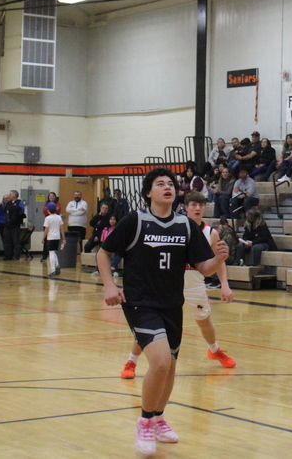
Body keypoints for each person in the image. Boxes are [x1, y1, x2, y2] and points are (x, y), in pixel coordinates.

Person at [97, 168, 228, 457]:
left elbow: (203, 268)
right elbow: (103, 253)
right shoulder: (136, 221)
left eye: (171, 184)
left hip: (172, 304)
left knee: (169, 367)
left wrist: (218, 259)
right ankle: (144, 421)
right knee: (158, 361)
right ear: (148, 192)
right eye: (160, 184)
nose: (167, 187)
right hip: (140, 303)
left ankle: (158, 417)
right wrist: (109, 285)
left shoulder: (184, 226)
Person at [121, 190, 236, 380]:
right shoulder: (175, 227)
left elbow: (219, 261)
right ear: (186, 207)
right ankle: (131, 361)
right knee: (152, 325)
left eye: (201, 205)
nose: (198, 208)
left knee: (204, 320)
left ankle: (214, 350)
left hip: (194, 282)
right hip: (168, 281)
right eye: (194, 205)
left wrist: (224, 284)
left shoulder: (210, 233)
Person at [42, 202, 65, 276]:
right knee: (54, 251)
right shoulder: (59, 217)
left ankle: (53, 269)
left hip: (50, 237)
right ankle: (57, 265)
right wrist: (63, 238)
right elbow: (62, 229)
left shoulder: (47, 218)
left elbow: (46, 230)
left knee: (51, 252)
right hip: (57, 237)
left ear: (48, 210)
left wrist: (43, 238)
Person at [2, 190, 26, 262]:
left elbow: (21, 211)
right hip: (7, 225)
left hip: (15, 225)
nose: (9, 195)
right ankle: (8, 255)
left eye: (10, 194)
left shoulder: (19, 203)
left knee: (16, 241)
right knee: (7, 241)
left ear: (14, 195)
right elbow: (4, 209)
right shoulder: (8, 203)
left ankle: (16, 256)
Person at [40, 192, 59, 263]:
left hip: (56, 225)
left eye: (53, 196)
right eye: (50, 196)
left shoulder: (58, 204)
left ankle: (55, 259)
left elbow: (58, 210)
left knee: (54, 242)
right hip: (48, 224)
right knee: (46, 241)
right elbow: (45, 211)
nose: (51, 197)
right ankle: (45, 256)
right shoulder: (46, 205)